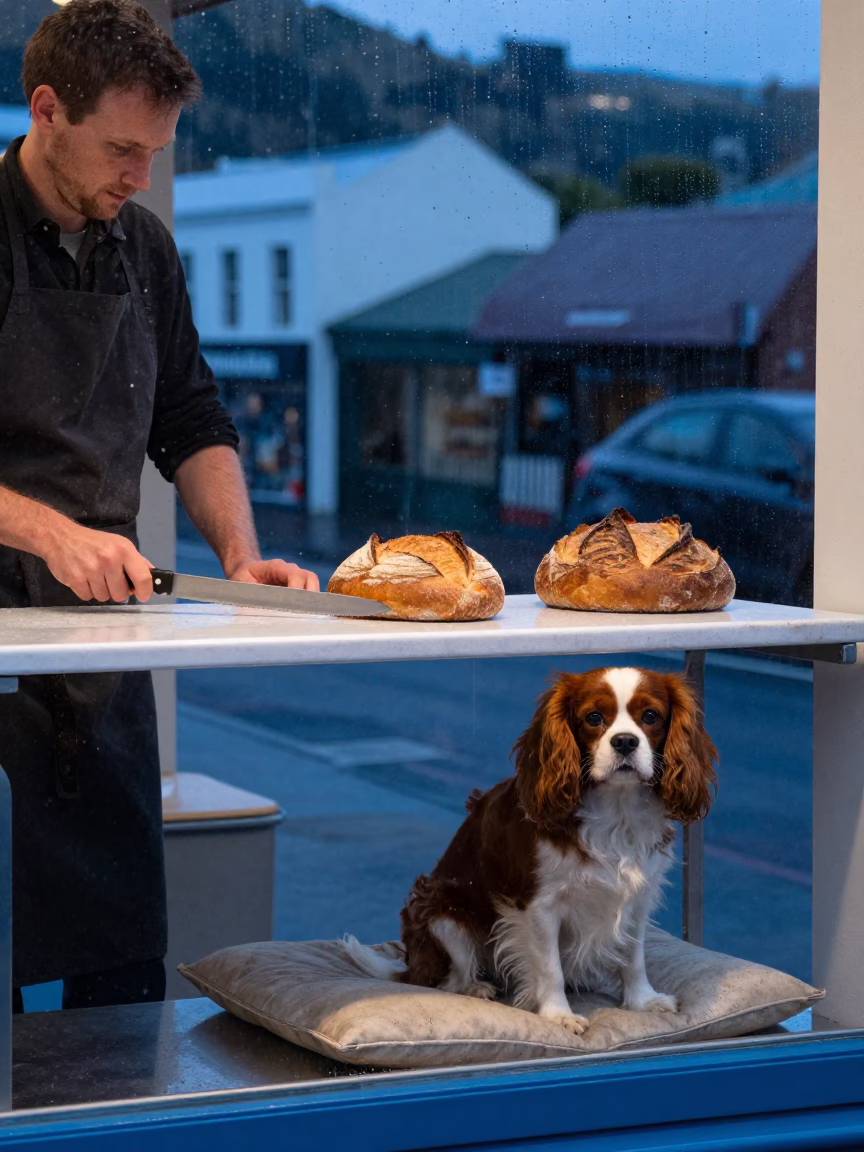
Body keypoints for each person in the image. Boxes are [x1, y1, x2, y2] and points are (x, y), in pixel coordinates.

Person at [0, 0, 319, 1012]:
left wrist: (241, 555)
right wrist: (51, 531)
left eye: (157, 152)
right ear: (45, 108)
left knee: (123, 971)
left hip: (103, 653)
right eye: (122, 150)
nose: (141, 177)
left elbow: (191, 414)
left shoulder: (143, 246)